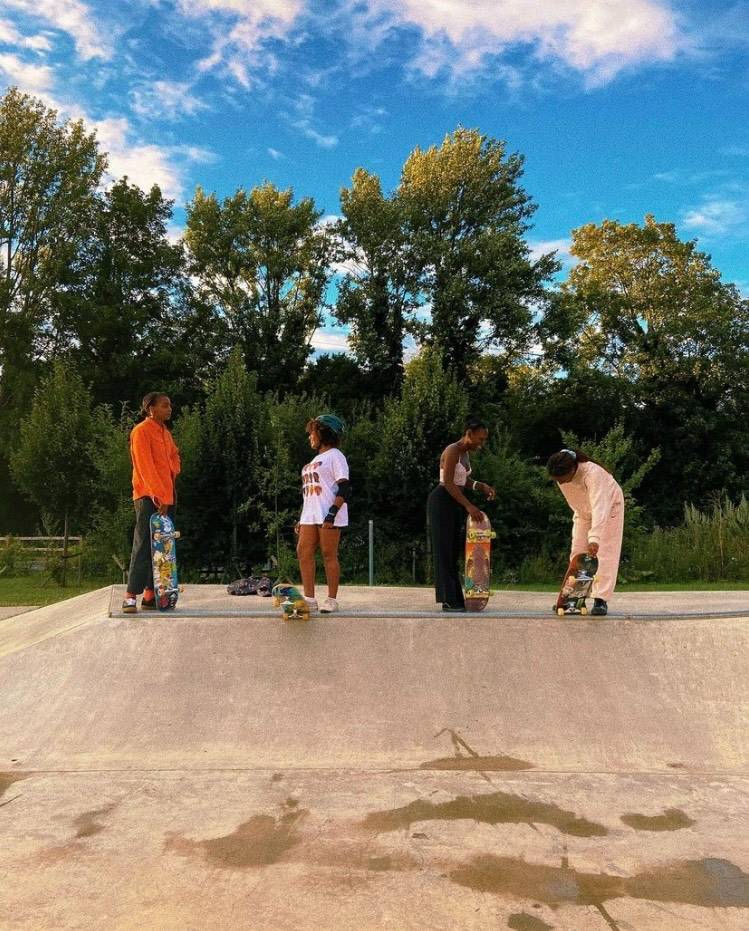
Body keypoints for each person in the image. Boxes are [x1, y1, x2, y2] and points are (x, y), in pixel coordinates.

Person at [428, 417, 496, 613]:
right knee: (444, 551)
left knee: (453, 551)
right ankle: (447, 599)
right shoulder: (452, 451)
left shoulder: (465, 454)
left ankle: (456, 597)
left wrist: (480, 486)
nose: (481, 444)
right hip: (442, 501)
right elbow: (448, 482)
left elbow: (462, 480)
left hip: (454, 501)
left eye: (484, 440)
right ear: (469, 434)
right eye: (480, 439)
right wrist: (469, 506)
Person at [547, 448, 625, 616]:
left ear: (573, 469)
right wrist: (584, 529)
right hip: (583, 512)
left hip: (610, 507)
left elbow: (599, 506)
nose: (560, 482)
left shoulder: (593, 474)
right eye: (556, 480)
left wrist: (595, 538)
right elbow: (576, 502)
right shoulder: (561, 476)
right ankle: (574, 596)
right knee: (578, 553)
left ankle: (600, 599)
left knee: (604, 552)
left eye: (561, 479)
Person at [122, 393, 181, 614]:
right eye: (165, 405)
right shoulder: (141, 431)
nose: (169, 409)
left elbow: (175, 456)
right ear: (150, 409)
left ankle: (150, 594)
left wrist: (174, 470)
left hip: (168, 495)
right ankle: (130, 596)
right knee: (144, 544)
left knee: (163, 547)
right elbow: (144, 466)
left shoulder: (166, 433)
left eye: (170, 405)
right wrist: (158, 497)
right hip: (149, 496)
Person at [295, 413, 350, 614]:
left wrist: (332, 513)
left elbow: (344, 488)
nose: (310, 437)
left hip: (328, 513)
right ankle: (309, 599)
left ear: (324, 433)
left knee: (328, 554)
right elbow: (308, 493)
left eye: (312, 433)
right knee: (303, 551)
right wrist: (302, 517)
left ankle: (332, 599)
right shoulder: (316, 459)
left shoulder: (336, 456)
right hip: (310, 514)